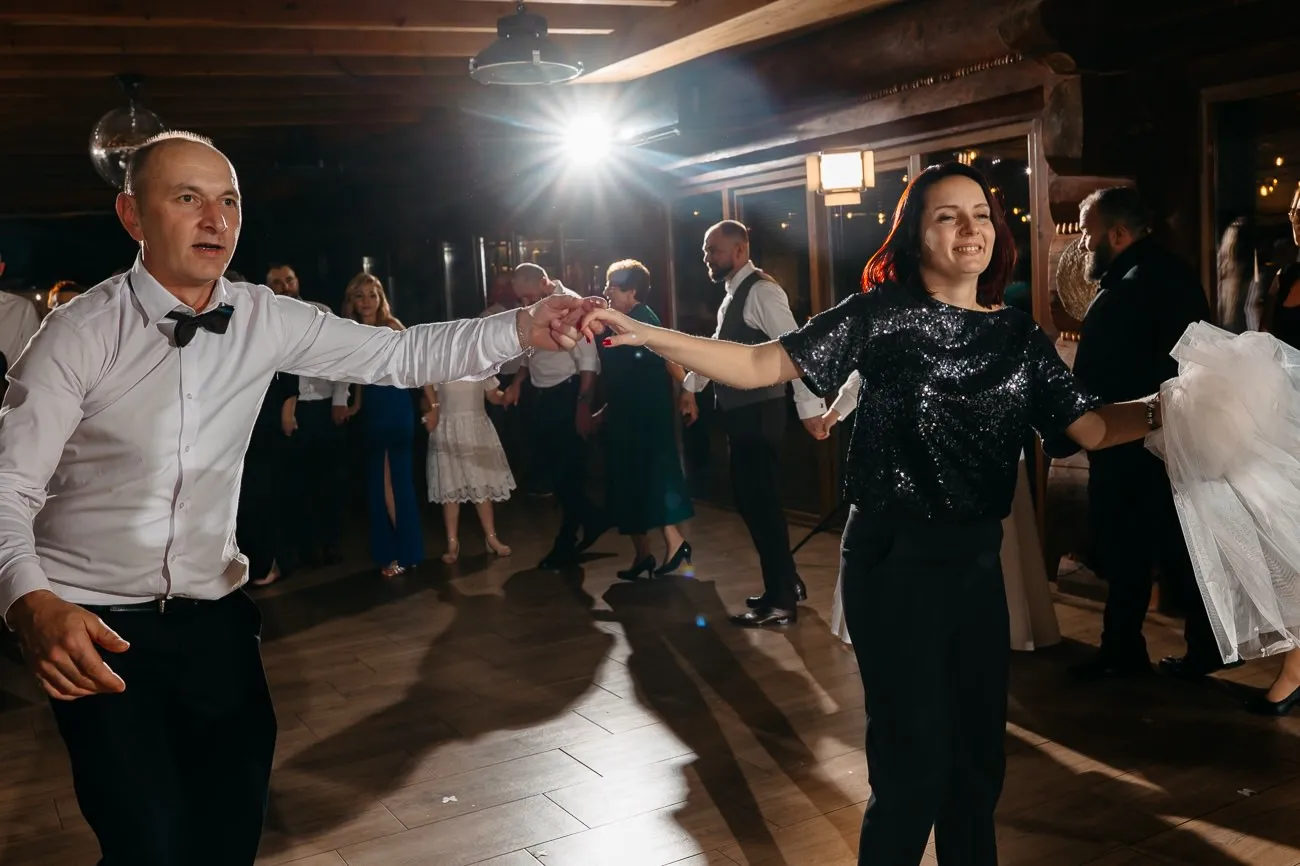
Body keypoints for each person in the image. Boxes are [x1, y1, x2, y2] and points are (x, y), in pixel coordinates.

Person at [0, 130, 584, 866]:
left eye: (229, 201)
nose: (215, 219)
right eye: (188, 199)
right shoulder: (76, 333)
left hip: (216, 619)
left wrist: (522, 326)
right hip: (98, 626)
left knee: (231, 830)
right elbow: (8, 485)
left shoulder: (265, 316)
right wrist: (30, 601)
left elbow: (400, 354)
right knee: (145, 843)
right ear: (133, 215)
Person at [576, 162, 1165, 866]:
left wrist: (1173, 408)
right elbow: (762, 365)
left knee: (977, 765)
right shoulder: (879, 315)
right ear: (915, 235)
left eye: (980, 214)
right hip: (893, 563)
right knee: (912, 766)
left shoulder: (1018, 336)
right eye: (948, 215)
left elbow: (1091, 429)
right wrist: (647, 335)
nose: (971, 228)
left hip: (977, 566)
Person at [1067, 186, 1219, 682]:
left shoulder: (1144, 283)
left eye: (1088, 233)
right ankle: (1147, 649)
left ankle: (1139, 651)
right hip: (1149, 437)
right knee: (1152, 550)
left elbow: (1165, 365)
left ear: (1117, 233)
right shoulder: (1159, 274)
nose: (1083, 244)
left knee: (1142, 550)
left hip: (1139, 441)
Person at [679, 220, 827, 627]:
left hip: (759, 415)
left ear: (740, 250)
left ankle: (780, 602)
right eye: (706, 250)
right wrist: (692, 385)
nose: (707, 257)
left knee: (761, 505)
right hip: (744, 415)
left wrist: (810, 408)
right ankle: (786, 583)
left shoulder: (760, 291)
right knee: (754, 503)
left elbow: (798, 350)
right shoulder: (733, 294)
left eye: (714, 250)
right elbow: (720, 350)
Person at [502, 263, 607, 568]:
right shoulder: (537, 309)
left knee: (566, 472)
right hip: (544, 397)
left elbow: (589, 363)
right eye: (520, 298)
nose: (524, 302)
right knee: (557, 471)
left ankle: (567, 540)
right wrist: (518, 383)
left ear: (544, 282)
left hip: (568, 393)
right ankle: (594, 519)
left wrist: (583, 406)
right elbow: (530, 352)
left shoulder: (571, 306)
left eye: (528, 296)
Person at [596, 260, 694, 580]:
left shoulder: (644, 318)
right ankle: (643, 554)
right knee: (628, 479)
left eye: (613, 286)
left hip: (646, 413)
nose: (606, 291)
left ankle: (675, 543)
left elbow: (670, 357)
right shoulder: (619, 320)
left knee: (650, 476)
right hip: (626, 412)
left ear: (632, 291)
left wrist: (688, 392)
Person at [342, 272, 434, 578]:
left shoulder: (392, 326)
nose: (367, 301)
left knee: (395, 483)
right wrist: (356, 404)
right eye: (360, 296)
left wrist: (432, 404)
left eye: (373, 295)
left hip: (395, 406)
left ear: (381, 299)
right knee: (378, 484)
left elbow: (418, 364)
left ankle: (408, 553)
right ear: (352, 301)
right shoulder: (354, 331)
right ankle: (394, 550)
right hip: (374, 410)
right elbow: (361, 376)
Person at [266, 263, 351, 566]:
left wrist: (340, 399)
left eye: (289, 280)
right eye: (277, 282)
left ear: (297, 281)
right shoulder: (267, 318)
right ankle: (304, 548)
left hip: (324, 405)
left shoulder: (320, 311)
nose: (285, 286)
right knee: (295, 483)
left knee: (329, 480)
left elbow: (341, 356)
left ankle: (331, 543)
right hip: (290, 409)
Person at [425, 376, 515, 563]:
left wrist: (504, 397)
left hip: (476, 429)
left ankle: (491, 537)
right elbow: (429, 397)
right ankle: (452, 542)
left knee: (481, 484)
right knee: (450, 486)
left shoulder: (478, 364)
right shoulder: (439, 366)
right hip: (448, 429)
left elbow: (492, 394)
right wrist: (430, 411)